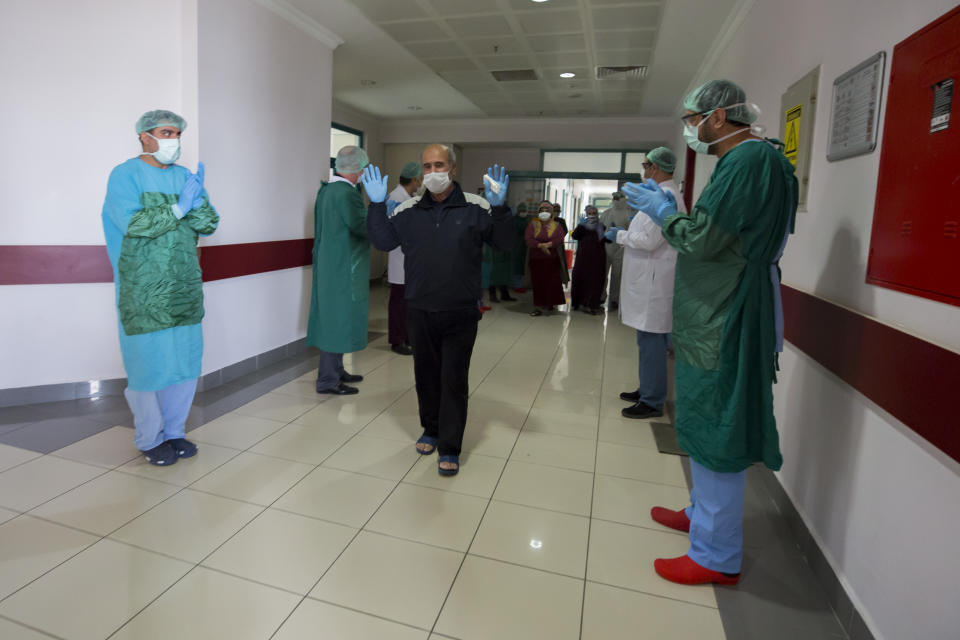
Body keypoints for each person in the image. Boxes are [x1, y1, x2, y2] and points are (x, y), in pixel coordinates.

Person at [623, 80, 797, 587]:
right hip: (721, 305)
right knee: (703, 413)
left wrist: (664, 213)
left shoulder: (745, 162)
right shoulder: (761, 159)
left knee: (718, 421)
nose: (690, 128)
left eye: (693, 117)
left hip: (727, 310)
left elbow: (702, 238)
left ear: (718, 116)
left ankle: (715, 555)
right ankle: (700, 515)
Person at [363, 145, 514, 476]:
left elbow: (504, 243)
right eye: (427, 166)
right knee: (426, 377)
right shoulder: (408, 210)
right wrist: (375, 205)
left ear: (453, 168)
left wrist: (501, 209)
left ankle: (450, 445)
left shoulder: (476, 208)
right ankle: (430, 429)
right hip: (419, 310)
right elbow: (383, 241)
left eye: (439, 165)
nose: (433, 172)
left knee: (453, 381)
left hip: (460, 312)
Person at [101, 109, 219, 466]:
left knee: (183, 364)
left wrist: (196, 203)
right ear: (144, 137)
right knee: (147, 366)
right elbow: (133, 222)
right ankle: (149, 438)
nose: (174, 140)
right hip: (143, 289)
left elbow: (210, 223)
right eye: (166, 133)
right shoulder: (125, 176)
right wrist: (179, 208)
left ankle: (175, 432)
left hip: (183, 287)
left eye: (177, 133)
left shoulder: (185, 176)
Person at [605, 146, 686, 419]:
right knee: (646, 341)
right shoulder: (660, 194)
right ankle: (647, 389)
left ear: (654, 167)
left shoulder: (667, 196)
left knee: (652, 342)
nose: (644, 170)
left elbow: (650, 240)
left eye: (645, 165)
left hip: (655, 286)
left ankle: (652, 401)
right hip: (648, 281)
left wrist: (619, 235)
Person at [306, 146, 370, 395]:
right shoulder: (346, 194)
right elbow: (361, 226)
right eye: (364, 168)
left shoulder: (327, 191)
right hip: (343, 268)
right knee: (336, 322)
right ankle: (328, 381)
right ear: (357, 168)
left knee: (335, 320)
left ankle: (336, 371)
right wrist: (377, 210)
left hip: (330, 267)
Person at [385, 162, 422, 356]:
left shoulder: (413, 198)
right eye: (420, 179)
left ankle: (408, 337)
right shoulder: (395, 198)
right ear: (414, 179)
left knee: (409, 304)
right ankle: (396, 340)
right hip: (400, 258)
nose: (421, 183)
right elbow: (396, 228)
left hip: (413, 260)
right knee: (399, 303)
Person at [525, 202, 567, 316]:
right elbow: (528, 238)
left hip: (552, 259)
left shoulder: (556, 225)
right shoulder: (533, 224)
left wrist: (549, 244)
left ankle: (550, 304)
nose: (544, 213)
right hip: (536, 258)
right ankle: (537, 307)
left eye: (546, 211)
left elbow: (560, 238)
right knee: (537, 282)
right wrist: (540, 246)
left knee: (552, 282)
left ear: (551, 213)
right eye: (541, 210)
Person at [569, 205, 607, 314]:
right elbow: (575, 236)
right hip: (583, 258)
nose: (592, 215)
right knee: (579, 279)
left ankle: (592, 305)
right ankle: (577, 303)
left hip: (597, 259)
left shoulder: (601, 226)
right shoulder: (582, 226)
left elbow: (604, 240)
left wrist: (611, 235)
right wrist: (580, 225)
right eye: (589, 213)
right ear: (586, 214)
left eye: (594, 213)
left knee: (594, 281)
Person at [600, 191, 633, 310]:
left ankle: (615, 299)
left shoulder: (628, 214)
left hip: (620, 248)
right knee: (602, 274)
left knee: (617, 275)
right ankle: (601, 297)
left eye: (618, 198)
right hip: (605, 247)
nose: (616, 200)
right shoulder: (606, 213)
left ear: (623, 199)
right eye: (614, 197)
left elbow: (631, 233)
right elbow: (599, 231)